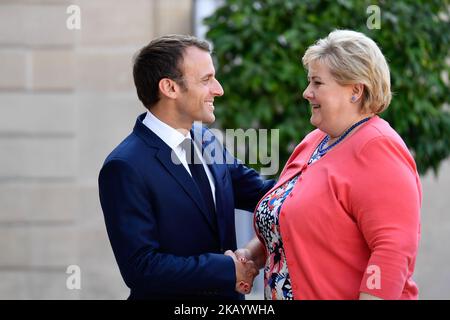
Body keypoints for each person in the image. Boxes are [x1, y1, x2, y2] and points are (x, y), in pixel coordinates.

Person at [236, 30, 422, 300]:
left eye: (317, 83)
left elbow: (393, 248)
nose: (306, 92)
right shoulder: (314, 140)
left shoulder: (378, 146)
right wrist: (251, 255)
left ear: (355, 91)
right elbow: (289, 219)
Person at [98, 34, 274, 300]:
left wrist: (325, 167)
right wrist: (226, 269)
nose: (218, 89)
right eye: (206, 80)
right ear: (170, 88)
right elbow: (141, 267)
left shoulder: (205, 139)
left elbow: (264, 194)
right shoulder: (124, 167)